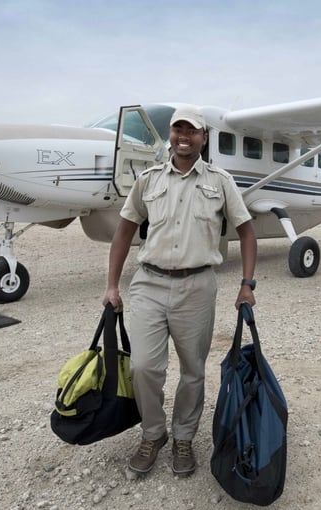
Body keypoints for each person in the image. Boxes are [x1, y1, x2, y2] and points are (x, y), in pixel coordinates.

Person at [103, 105, 257, 477]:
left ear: (204, 138)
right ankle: (153, 434)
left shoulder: (220, 181)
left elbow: (247, 231)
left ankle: (184, 437)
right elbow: (124, 231)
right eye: (177, 130)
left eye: (192, 131)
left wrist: (247, 285)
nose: (183, 137)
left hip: (197, 286)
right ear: (171, 135)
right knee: (143, 367)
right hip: (149, 284)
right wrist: (111, 285)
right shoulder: (149, 180)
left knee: (193, 371)